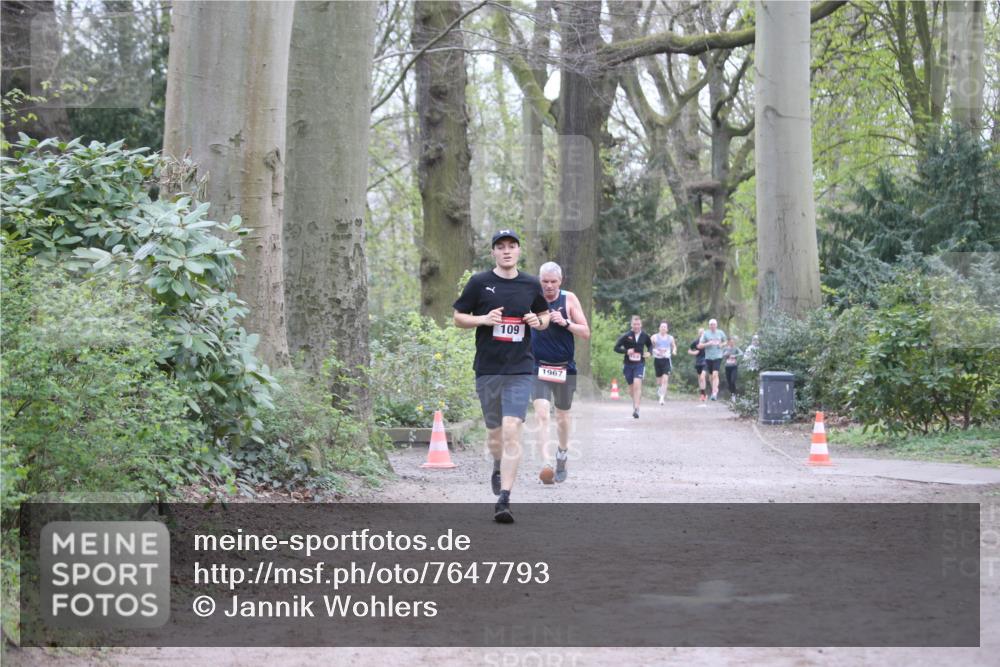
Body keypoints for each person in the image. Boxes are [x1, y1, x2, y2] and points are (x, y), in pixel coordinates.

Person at [453, 230, 550, 523]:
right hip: (488, 369)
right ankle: (497, 463)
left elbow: (544, 316)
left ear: (519, 251)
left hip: (520, 368)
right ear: (494, 253)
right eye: (501, 247)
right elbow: (458, 317)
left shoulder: (531, 284)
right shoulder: (480, 283)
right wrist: (482, 319)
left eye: (512, 246)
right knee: (495, 435)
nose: (507, 251)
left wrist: (538, 321)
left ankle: (504, 498)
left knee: (511, 429)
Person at [531, 261, 590, 484]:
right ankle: (546, 463)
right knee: (542, 413)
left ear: (560, 281)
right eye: (544, 281)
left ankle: (562, 454)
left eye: (553, 282)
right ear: (540, 281)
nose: (548, 286)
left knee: (563, 417)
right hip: (538, 366)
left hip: (564, 367)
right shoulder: (531, 297)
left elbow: (585, 332)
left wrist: (565, 322)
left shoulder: (569, 299)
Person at [614, 315, 653, 418]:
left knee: (637, 384)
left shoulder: (645, 335)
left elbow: (650, 345)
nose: (636, 326)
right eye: (635, 324)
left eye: (638, 324)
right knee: (631, 389)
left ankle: (637, 408)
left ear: (641, 325)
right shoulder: (626, 336)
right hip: (628, 365)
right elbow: (616, 348)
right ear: (631, 325)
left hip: (640, 364)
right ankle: (635, 402)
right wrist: (626, 351)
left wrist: (649, 352)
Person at [697, 318, 728, 401]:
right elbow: (699, 345)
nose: (712, 326)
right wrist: (708, 343)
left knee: (715, 374)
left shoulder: (720, 333)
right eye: (711, 324)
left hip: (718, 356)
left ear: (716, 325)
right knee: (708, 376)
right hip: (708, 358)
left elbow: (726, 341)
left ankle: (714, 393)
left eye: (714, 324)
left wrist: (722, 344)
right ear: (709, 326)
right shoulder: (706, 334)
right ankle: (714, 389)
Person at [650, 321, 677, 405]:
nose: (663, 328)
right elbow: (650, 347)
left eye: (665, 327)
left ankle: (662, 398)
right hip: (657, 360)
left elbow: (674, 346)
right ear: (659, 328)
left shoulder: (670, 338)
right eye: (662, 327)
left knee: (665, 379)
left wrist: (674, 350)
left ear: (667, 329)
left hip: (666, 360)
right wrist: (653, 348)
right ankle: (660, 389)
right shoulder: (654, 337)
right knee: (659, 381)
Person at [687, 327, 707, 401]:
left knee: (702, 376)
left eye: (703, 332)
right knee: (700, 378)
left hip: (706, 361)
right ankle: (703, 394)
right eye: (700, 332)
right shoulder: (696, 342)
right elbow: (689, 350)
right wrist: (694, 352)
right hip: (698, 361)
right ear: (698, 334)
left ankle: (703, 394)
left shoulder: (707, 341)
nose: (702, 334)